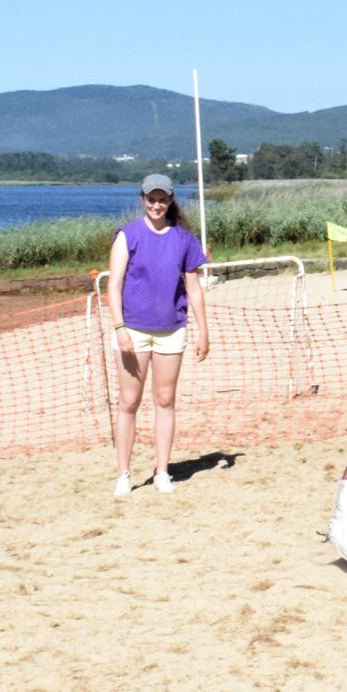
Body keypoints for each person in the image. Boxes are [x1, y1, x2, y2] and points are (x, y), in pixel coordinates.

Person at [108, 173, 209, 496]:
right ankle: (123, 473)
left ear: (170, 200)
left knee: (165, 400)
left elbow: (193, 288)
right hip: (133, 330)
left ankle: (162, 471)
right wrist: (120, 327)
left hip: (171, 331)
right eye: (151, 199)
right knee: (129, 401)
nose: (156, 204)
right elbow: (114, 285)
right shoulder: (127, 235)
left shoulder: (183, 238)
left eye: (162, 199)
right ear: (142, 199)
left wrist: (203, 330)